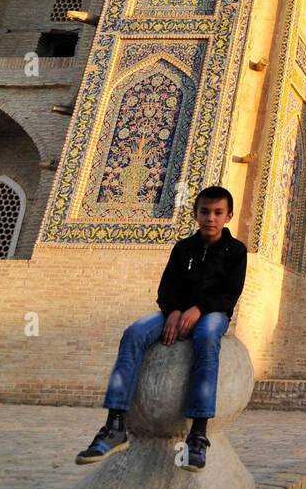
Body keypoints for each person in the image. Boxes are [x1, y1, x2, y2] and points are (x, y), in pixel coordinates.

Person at [75, 185, 247, 470]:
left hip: (213, 313)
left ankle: (198, 434)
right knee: (134, 333)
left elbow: (230, 293)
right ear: (195, 214)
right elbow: (167, 287)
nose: (210, 218)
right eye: (205, 212)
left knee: (206, 338)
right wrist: (174, 310)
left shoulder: (236, 251)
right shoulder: (183, 249)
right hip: (175, 311)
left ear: (228, 216)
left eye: (218, 213)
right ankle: (115, 423)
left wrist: (198, 309)